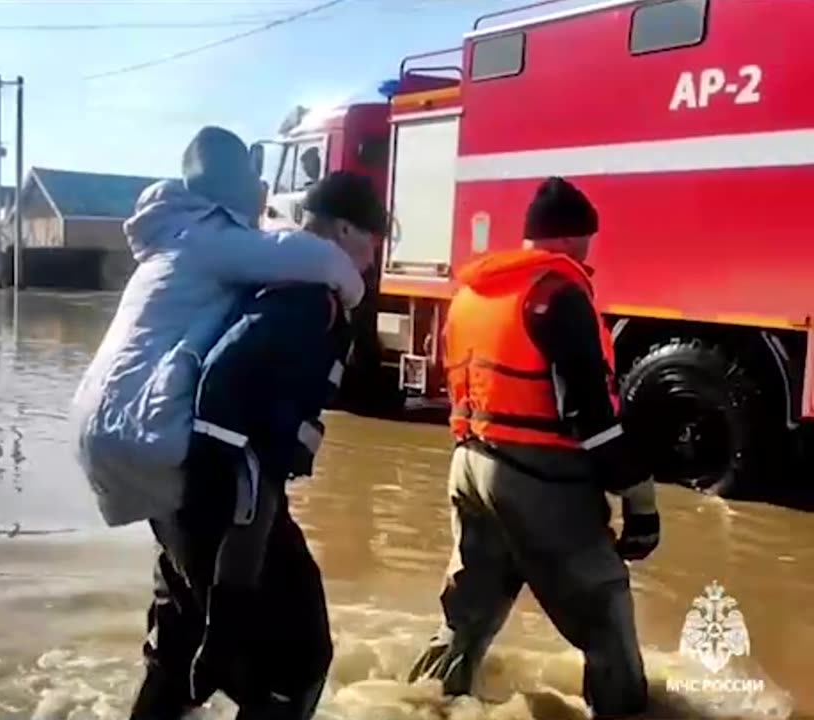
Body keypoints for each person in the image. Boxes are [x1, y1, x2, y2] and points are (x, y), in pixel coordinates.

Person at [130, 172, 387, 720]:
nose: (371, 258)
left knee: (177, 650)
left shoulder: (266, 276)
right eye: (372, 241)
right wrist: (231, 578)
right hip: (221, 500)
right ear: (345, 230)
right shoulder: (310, 299)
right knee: (300, 663)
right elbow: (225, 386)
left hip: (176, 487)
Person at [406, 177, 660, 719]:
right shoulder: (556, 294)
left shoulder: (472, 294)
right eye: (587, 241)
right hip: (536, 476)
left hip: (470, 463)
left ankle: (420, 704)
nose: (589, 254)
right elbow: (589, 417)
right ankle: (627, 711)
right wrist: (641, 500)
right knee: (604, 608)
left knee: (466, 617)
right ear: (570, 240)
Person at [70, 127, 365, 532]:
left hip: (106, 423)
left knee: (180, 569)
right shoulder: (209, 237)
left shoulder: (173, 238)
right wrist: (355, 294)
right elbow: (321, 261)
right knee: (249, 569)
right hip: (146, 431)